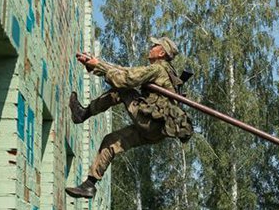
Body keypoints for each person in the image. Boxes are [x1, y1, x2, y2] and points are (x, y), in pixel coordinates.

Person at [66, 36, 193, 199]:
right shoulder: (168, 73)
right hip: (157, 130)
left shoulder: (158, 69)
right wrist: (97, 64)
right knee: (111, 141)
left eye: (154, 46)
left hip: (149, 120)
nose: (150, 47)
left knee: (121, 89)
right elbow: (126, 71)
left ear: (161, 52)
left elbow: (126, 78)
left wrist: (99, 67)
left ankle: (83, 114)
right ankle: (89, 185)